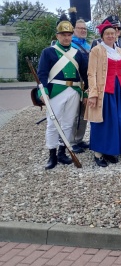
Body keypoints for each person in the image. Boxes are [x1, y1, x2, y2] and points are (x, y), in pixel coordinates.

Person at [37, 20, 88, 169]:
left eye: (69, 35)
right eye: (63, 35)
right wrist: (43, 90)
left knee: (68, 123)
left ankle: (62, 152)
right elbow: (42, 73)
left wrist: (85, 93)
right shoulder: (48, 52)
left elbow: (84, 74)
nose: (66, 38)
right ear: (57, 36)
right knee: (53, 124)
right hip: (56, 91)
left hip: (74, 91)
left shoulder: (77, 53)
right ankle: (52, 154)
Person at [85, 20, 121, 167]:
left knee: (118, 120)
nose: (110, 36)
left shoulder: (119, 51)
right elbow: (91, 73)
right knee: (103, 121)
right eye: (107, 34)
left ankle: (111, 150)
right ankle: (98, 153)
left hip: (119, 91)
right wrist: (92, 93)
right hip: (104, 91)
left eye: (112, 33)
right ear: (102, 35)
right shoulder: (96, 50)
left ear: (116, 34)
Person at [69, 18, 91, 153]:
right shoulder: (71, 45)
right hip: (76, 83)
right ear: (73, 30)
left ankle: (79, 139)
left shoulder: (88, 46)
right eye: (80, 28)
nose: (83, 30)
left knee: (84, 114)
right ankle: (71, 141)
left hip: (87, 83)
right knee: (74, 114)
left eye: (85, 28)